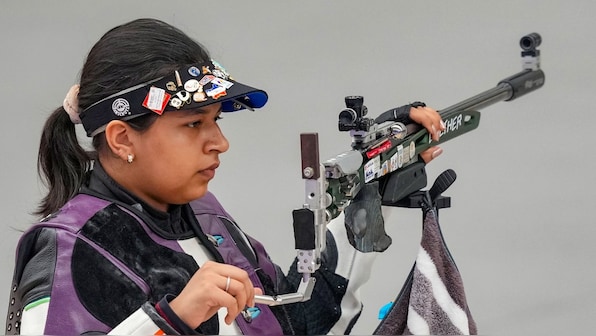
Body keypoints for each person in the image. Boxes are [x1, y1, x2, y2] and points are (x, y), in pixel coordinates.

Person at [5, 18, 445, 335]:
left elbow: (291, 321)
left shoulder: (200, 211)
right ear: (122, 138)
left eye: (217, 121)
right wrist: (171, 319)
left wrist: (365, 202)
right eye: (194, 124)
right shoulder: (67, 247)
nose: (219, 142)